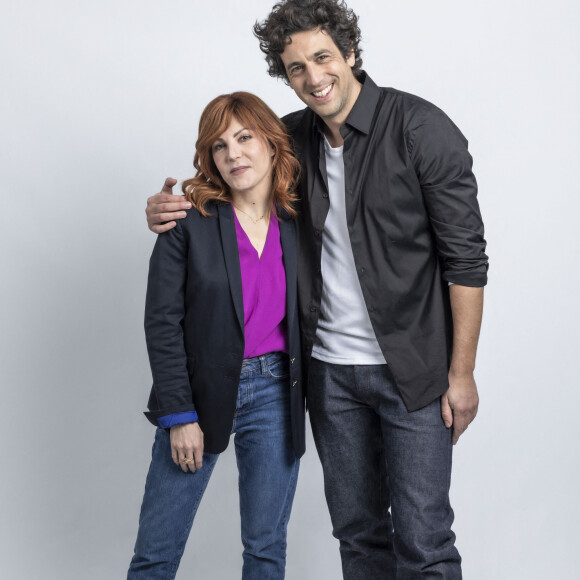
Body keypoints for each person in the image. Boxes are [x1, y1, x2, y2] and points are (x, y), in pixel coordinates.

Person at [146, 1, 488, 578]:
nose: (313, 76)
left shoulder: (420, 128)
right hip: (327, 375)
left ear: (350, 52)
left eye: (322, 57)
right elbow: (235, 181)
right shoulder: (292, 140)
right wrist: (168, 206)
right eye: (296, 66)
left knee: (424, 541)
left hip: (415, 372)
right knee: (357, 536)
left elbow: (467, 262)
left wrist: (462, 372)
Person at [128, 91, 305, 580]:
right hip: (199, 393)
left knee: (266, 548)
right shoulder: (187, 221)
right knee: (156, 553)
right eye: (220, 146)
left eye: (245, 138)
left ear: (271, 143)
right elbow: (161, 324)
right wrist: (179, 415)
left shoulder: (299, 219)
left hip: (277, 393)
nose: (234, 155)